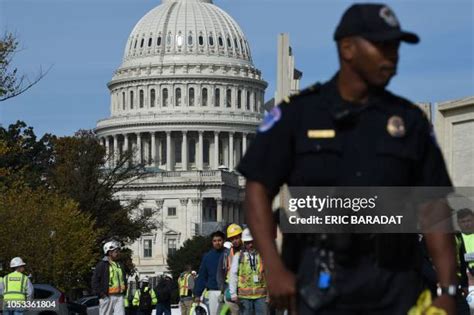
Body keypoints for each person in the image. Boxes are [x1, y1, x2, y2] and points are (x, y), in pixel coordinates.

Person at [237, 3, 457, 315]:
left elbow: (433, 205)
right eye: (382, 45)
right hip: (321, 283)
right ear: (348, 48)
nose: (392, 56)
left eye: (395, 46)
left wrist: (447, 289)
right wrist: (273, 266)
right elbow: (257, 188)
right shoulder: (297, 115)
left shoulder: (410, 122)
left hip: (395, 284)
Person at [229, 228, 268, 315]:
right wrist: (233, 294)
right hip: (244, 297)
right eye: (247, 243)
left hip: (261, 296)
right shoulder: (238, 256)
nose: (250, 245)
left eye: (252, 242)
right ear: (244, 243)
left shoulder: (262, 255)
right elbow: (233, 275)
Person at [194, 231, 226, 315]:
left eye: (219, 240)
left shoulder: (228, 254)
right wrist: (197, 294)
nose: (217, 243)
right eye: (214, 241)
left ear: (223, 241)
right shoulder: (207, 257)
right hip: (213, 292)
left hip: (228, 291)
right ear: (212, 242)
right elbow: (202, 277)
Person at [92, 241, 127, 315]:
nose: (118, 253)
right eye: (116, 251)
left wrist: (124, 291)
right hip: (107, 297)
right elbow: (94, 282)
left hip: (119, 296)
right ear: (109, 252)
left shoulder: (119, 265)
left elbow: (124, 279)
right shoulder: (102, 265)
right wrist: (102, 295)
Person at [217, 224, 243, 315]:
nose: (234, 240)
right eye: (232, 239)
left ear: (241, 236)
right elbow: (220, 273)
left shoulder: (247, 250)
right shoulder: (226, 254)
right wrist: (223, 289)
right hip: (229, 288)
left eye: (236, 238)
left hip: (245, 288)